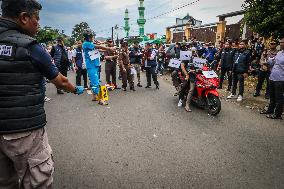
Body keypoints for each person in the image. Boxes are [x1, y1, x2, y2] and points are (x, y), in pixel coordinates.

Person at [0, 0, 84, 188]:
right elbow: (60, 80)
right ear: (24, 17)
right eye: (36, 19)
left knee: (4, 182)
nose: (38, 24)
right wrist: (74, 89)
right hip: (23, 129)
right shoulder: (31, 46)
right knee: (38, 179)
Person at [82, 29, 114, 105]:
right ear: (89, 37)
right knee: (96, 82)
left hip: (95, 65)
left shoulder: (90, 43)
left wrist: (105, 49)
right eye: (92, 36)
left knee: (94, 81)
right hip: (91, 66)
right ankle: (101, 100)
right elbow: (98, 46)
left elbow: (98, 49)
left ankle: (94, 96)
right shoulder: (86, 44)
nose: (93, 37)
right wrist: (108, 48)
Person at [260, 37, 284, 119]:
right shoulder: (280, 53)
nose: (281, 44)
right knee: (272, 96)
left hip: (280, 79)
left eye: (282, 42)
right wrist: (266, 58)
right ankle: (270, 110)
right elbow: (272, 61)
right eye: (280, 42)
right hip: (272, 77)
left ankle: (277, 114)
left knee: (279, 97)